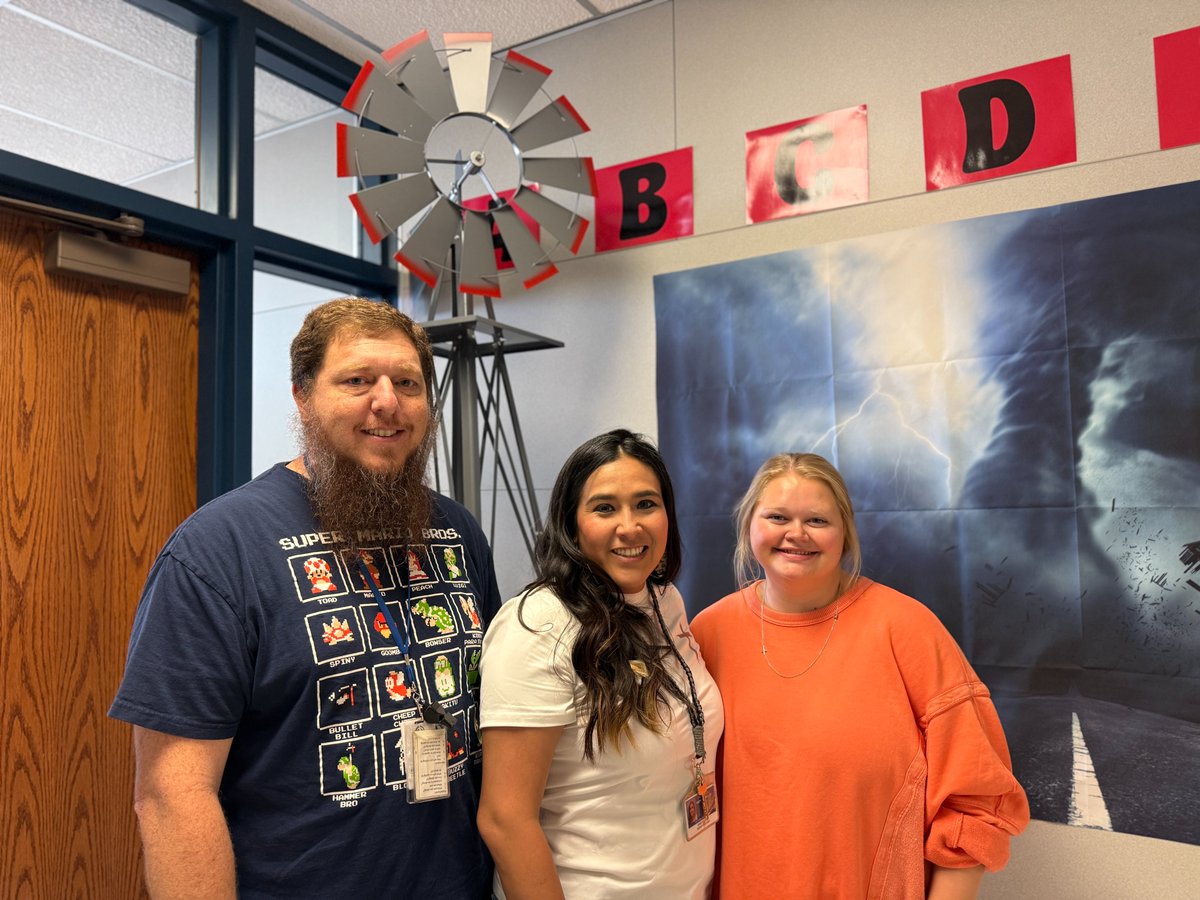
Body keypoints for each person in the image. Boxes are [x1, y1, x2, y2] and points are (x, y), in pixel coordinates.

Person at [109, 298, 501, 898]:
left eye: (407, 382)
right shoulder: (218, 550)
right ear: (302, 396)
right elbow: (171, 795)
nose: (387, 402)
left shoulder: (456, 531)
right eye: (357, 380)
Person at [691, 453, 1029, 900]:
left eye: (817, 519)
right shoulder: (708, 632)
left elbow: (975, 799)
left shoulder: (906, 628)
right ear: (749, 524)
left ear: (845, 532)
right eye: (777, 516)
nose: (797, 534)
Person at [476, 429, 723, 899]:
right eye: (605, 508)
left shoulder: (664, 600)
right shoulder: (539, 626)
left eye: (646, 504)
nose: (629, 527)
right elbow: (505, 819)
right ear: (571, 526)